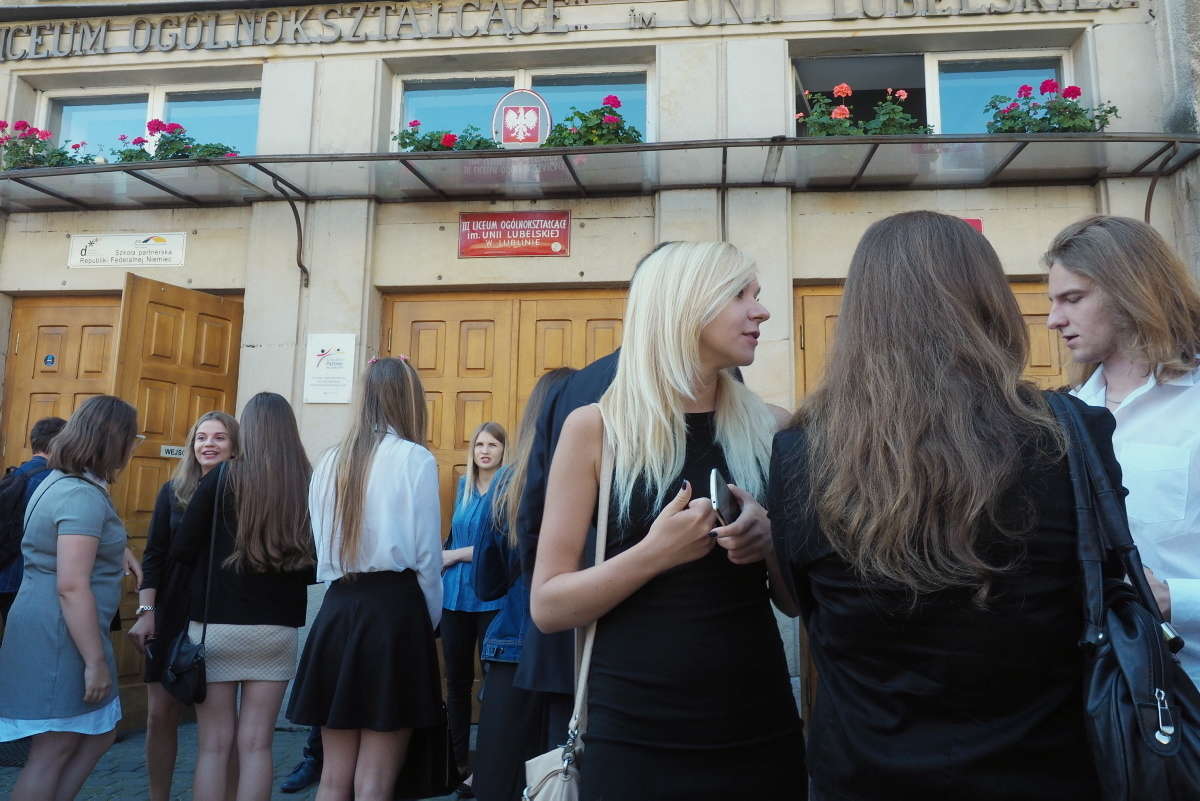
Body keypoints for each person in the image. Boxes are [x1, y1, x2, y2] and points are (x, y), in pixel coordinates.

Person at [770, 210, 1118, 801]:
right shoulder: (1073, 433)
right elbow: (1100, 587)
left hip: (865, 774)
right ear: (989, 301)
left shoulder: (803, 453)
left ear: (861, 317)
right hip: (1045, 770)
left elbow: (803, 603)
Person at [531, 241, 803, 801]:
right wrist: (655, 554)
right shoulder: (596, 430)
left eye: (757, 294)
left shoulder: (774, 429)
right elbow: (549, 605)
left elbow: (796, 602)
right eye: (740, 295)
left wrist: (771, 542)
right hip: (632, 733)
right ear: (684, 306)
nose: (761, 311)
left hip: (757, 723)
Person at [1045, 214, 1200, 684]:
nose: (1053, 320)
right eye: (1053, 301)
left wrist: (1174, 598)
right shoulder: (1062, 414)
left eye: (1073, 298)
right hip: (1096, 688)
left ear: (1130, 289)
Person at [287, 357, 443, 801]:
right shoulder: (415, 459)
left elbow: (321, 546)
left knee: (333, 777)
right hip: (395, 613)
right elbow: (427, 556)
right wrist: (429, 620)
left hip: (338, 609)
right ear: (410, 401)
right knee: (375, 779)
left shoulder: (329, 461)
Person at [171, 392, 315, 801]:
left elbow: (182, 549)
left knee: (213, 747)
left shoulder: (221, 478)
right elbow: (314, 566)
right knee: (257, 745)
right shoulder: (305, 482)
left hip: (214, 626)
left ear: (246, 430)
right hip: (276, 630)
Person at [0, 396, 140, 801]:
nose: (134, 448)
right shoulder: (79, 494)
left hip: (58, 627)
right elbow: (72, 585)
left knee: (96, 734)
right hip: (62, 635)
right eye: (132, 438)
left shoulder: (61, 482)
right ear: (113, 440)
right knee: (53, 750)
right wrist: (95, 662)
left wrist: (117, 550)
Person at [472, 368, 575, 801]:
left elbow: (485, 582)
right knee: (565, 782)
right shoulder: (604, 476)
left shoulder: (508, 483)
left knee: (501, 780)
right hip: (576, 653)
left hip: (515, 648)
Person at [127, 410, 239, 801]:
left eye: (219, 437)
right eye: (202, 437)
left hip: (220, 612)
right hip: (172, 609)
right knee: (160, 713)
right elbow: (154, 555)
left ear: (234, 446)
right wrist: (147, 611)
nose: (209, 444)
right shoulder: (172, 491)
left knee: (222, 726)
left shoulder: (243, 493)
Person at [441, 421, 507, 797]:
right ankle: (456, 762)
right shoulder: (463, 487)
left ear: (503, 451)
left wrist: (454, 555)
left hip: (491, 596)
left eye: (492, 445)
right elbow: (455, 536)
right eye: (480, 444)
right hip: (454, 596)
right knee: (457, 681)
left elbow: (503, 545)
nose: (485, 451)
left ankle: (488, 765)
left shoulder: (508, 489)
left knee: (493, 683)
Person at [0, 416, 67, 631]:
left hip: (5, 574)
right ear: (60, 444)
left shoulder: (15, 475)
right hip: (31, 582)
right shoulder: (56, 482)